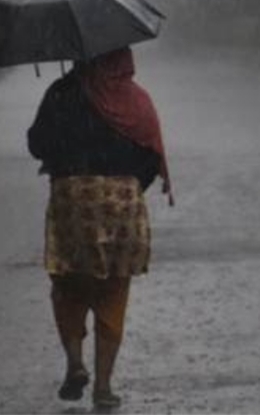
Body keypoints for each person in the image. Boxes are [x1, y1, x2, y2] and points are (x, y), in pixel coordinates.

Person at [27, 47, 172, 409]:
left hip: (72, 201)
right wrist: (126, 185)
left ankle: (75, 362)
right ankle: (103, 388)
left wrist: (66, 94)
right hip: (122, 204)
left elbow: (36, 143)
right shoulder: (136, 100)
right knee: (112, 294)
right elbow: (152, 155)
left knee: (68, 284)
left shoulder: (63, 93)